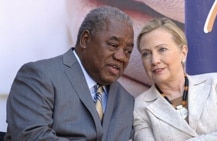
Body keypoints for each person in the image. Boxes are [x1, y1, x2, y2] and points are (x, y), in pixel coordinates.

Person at [5, 6, 135, 141]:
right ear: (85, 39)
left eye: (128, 51)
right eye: (113, 45)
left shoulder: (126, 101)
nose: (122, 57)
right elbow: (31, 136)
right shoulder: (39, 76)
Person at [133, 17, 217, 141]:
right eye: (146, 53)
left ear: (183, 53)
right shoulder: (140, 107)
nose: (154, 60)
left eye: (162, 49)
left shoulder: (216, 83)